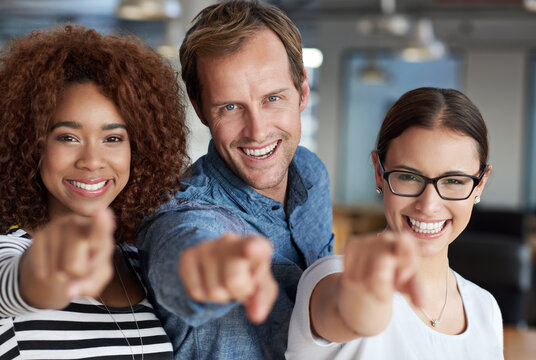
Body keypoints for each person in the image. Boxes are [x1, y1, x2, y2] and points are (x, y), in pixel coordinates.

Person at [136, 0, 334, 358]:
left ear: (302, 90)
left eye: (273, 98)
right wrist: (206, 272)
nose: (257, 131)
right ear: (199, 108)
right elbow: (182, 251)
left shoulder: (310, 173)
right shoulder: (188, 212)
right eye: (230, 107)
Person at [0, 25, 188, 359]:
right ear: (31, 145)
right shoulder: (9, 254)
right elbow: (17, 285)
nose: (91, 161)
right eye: (67, 137)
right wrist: (46, 272)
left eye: (113, 138)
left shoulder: (138, 260)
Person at [286, 87, 504, 359]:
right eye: (409, 177)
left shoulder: (486, 309)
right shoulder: (333, 278)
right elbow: (349, 312)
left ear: (480, 184)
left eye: (454, 181)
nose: (428, 205)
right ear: (379, 172)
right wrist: (365, 299)